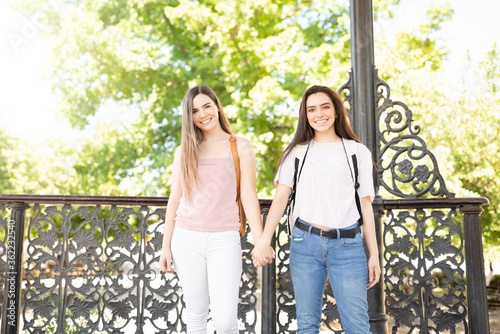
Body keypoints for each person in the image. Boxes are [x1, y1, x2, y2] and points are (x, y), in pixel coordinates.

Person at [252, 85, 381, 334]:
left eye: (325, 107)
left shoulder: (357, 152)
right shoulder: (297, 154)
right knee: (307, 325)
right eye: (311, 109)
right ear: (305, 115)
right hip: (305, 243)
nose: (318, 114)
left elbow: (366, 206)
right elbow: (280, 200)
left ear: (336, 111)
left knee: (358, 326)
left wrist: (373, 254)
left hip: (348, 246)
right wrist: (264, 240)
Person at [159, 85, 267, 334]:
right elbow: (174, 200)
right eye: (195, 110)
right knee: (195, 314)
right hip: (186, 239)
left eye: (207, 106)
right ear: (189, 117)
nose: (202, 114)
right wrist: (166, 246)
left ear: (217, 106)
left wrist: (260, 240)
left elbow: (248, 194)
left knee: (225, 320)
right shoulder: (184, 151)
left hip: (224, 240)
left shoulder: (239, 145)